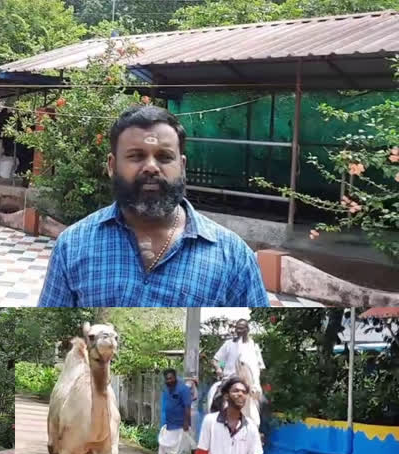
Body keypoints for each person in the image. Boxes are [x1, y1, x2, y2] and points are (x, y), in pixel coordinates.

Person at [37, 105, 270, 307]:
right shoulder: (72, 245)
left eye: (165, 157)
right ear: (112, 165)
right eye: (136, 156)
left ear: (182, 166)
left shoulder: (234, 256)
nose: (151, 167)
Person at [210, 319, 265, 426]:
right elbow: (219, 360)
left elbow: (259, 366)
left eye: (242, 328)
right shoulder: (229, 344)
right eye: (237, 328)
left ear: (247, 329)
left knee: (263, 403)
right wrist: (219, 368)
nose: (239, 331)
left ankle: (260, 432)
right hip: (230, 379)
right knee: (218, 397)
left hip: (249, 382)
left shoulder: (254, 347)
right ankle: (216, 422)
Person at [151, 369, 195, 454]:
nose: (169, 380)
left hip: (181, 425)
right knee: (163, 444)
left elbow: (187, 407)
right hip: (170, 424)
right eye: (167, 379)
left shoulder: (183, 389)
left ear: (175, 377)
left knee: (192, 446)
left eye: (171, 378)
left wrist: (186, 422)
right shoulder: (167, 389)